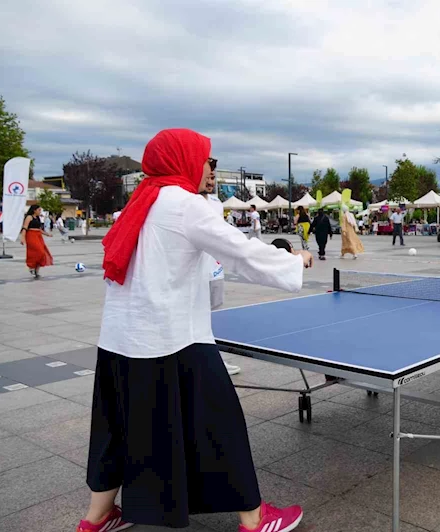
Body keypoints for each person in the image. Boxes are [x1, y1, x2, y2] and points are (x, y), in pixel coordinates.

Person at [78, 129, 312, 532]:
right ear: (182, 159)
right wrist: (295, 259)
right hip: (173, 339)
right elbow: (240, 252)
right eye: (207, 160)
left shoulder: (142, 201)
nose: (211, 169)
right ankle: (255, 519)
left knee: (115, 429)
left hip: (119, 341)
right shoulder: (187, 204)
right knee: (222, 426)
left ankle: (96, 519)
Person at [201, 157, 241, 376]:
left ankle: (216, 359)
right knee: (199, 318)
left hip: (215, 270)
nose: (211, 181)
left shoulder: (216, 203)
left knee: (214, 317)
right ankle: (208, 361)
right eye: (207, 176)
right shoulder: (190, 203)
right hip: (196, 274)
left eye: (213, 177)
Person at [19, 205, 53, 279]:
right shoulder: (29, 217)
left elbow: (39, 229)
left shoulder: (38, 218)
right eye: (39, 210)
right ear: (34, 210)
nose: (40, 211)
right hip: (31, 235)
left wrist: (47, 234)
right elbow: (24, 228)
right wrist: (22, 238)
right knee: (36, 251)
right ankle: (31, 267)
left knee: (42, 252)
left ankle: (36, 271)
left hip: (38, 236)